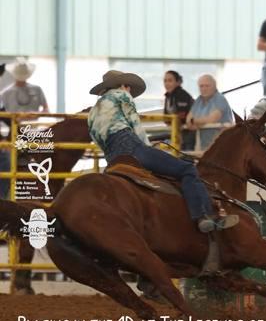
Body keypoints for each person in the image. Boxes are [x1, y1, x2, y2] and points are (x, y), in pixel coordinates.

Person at [88, 70, 238, 233]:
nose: (130, 91)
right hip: (133, 148)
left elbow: (98, 141)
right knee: (187, 169)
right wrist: (147, 148)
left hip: (112, 158)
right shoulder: (122, 95)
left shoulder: (92, 113)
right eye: (129, 87)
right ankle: (203, 216)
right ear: (124, 85)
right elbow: (136, 126)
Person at [0, 57, 49, 199]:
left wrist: (28, 117)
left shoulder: (36, 89)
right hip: (16, 132)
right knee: (8, 161)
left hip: (31, 132)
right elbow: (4, 117)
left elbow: (46, 109)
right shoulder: (5, 93)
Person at [186, 74, 233, 150]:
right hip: (203, 146)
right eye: (201, 86)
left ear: (214, 86)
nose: (204, 89)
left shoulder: (220, 99)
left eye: (207, 86)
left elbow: (212, 119)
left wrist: (195, 121)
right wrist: (192, 122)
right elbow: (188, 119)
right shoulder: (199, 100)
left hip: (221, 145)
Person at [163, 70, 195, 150]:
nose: (167, 83)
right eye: (165, 81)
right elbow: (165, 118)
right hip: (177, 132)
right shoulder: (168, 96)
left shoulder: (182, 95)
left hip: (188, 133)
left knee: (186, 157)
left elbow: (181, 116)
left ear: (178, 82)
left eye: (170, 80)